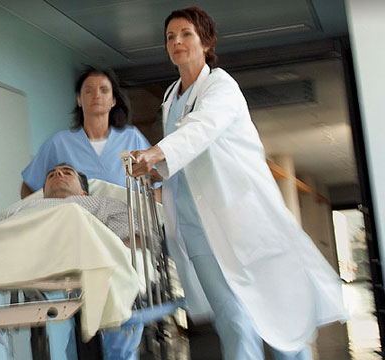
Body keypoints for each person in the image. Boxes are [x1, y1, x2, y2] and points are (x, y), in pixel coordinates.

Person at [128, 7, 347, 360]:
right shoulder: (171, 97)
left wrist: (156, 153)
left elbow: (204, 129)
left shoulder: (221, 86)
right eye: (170, 37)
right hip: (196, 228)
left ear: (205, 40)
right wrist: (157, 169)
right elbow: (185, 160)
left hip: (242, 221)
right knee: (233, 319)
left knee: (275, 313)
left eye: (185, 34)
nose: (177, 42)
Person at [2, 163, 146, 360]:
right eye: (51, 175)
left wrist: (100, 247)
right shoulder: (23, 210)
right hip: (33, 258)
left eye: (67, 172)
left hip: (89, 256)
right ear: (44, 195)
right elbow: (2, 237)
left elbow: (133, 240)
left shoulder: (104, 204)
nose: (58, 173)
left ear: (84, 192)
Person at [20, 67, 154, 199]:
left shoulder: (132, 138)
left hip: (125, 218)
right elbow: (28, 186)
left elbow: (156, 183)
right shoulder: (59, 143)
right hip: (75, 219)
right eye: (89, 90)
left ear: (113, 100)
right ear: (79, 99)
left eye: (104, 90)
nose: (96, 95)